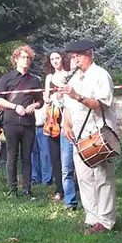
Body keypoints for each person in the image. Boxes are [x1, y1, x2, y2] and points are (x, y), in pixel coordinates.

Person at [61, 40, 117, 234]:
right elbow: (67, 105)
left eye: (78, 56)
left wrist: (78, 96)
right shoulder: (74, 77)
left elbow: (102, 104)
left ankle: (106, 220)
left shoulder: (101, 75)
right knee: (84, 178)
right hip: (79, 134)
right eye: (73, 56)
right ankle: (91, 217)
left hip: (99, 132)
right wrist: (66, 124)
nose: (75, 60)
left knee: (103, 177)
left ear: (89, 54)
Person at [0, 45, 44, 200]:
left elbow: (41, 101)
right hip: (10, 123)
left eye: (28, 58)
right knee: (12, 156)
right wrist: (14, 106)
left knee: (27, 157)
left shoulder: (34, 80)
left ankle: (27, 189)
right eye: (23, 57)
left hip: (29, 124)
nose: (26, 60)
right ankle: (12, 190)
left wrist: (34, 105)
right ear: (16, 59)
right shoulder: (6, 78)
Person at [42, 51, 72, 204]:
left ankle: (73, 187)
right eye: (52, 59)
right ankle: (59, 189)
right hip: (53, 117)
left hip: (67, 114)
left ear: (62, 59)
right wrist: (48, 98)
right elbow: (47, 98)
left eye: (57, 58)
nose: (55, 61)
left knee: (70, 156)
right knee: (55, 156)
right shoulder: (49, 78)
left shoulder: (69, 74)